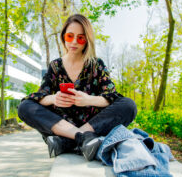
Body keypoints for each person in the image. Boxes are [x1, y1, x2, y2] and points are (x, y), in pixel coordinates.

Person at [18, 14, 137, 161]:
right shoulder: (55, 66)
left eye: (80, 38)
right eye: (70, 36)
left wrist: (89, 100)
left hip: (93, 123)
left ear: (87, 40)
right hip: (62, 124)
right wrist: (54, 98)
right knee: (25, 106)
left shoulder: (95, 64)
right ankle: (83, 138)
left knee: (129, 105)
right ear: (63, 37)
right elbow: (40, 96)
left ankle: (67, 142)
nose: (74, 42)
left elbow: (111, 96)